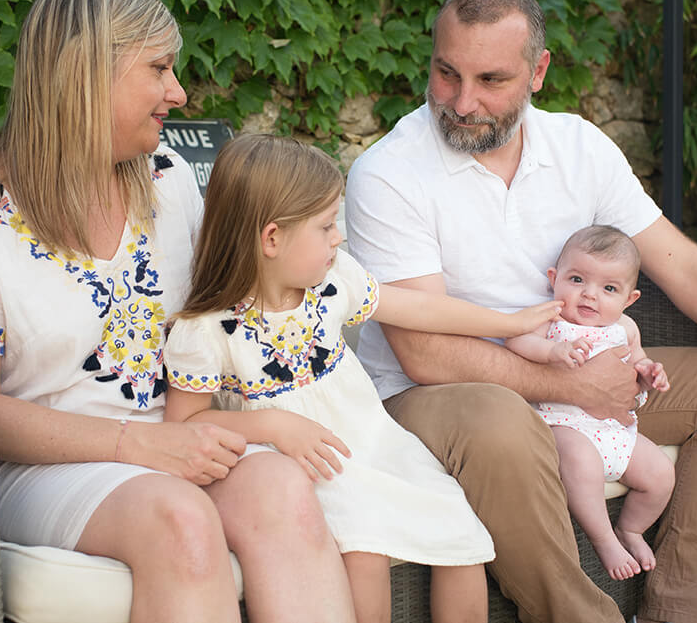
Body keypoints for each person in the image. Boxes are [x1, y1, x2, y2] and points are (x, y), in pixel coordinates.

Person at [345, 0, 697, 623]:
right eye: (446, 73)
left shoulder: (579, 146)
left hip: (583, 376)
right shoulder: (390, 172)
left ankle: (684, 613)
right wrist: (575, 389)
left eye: (491, 79)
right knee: (501, 422)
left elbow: (684, 267)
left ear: (538, 71)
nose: (462, 102)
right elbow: (423, 351)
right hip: (439, 396)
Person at [0, 0, 359, 623]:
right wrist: (137, 446)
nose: (177, 91)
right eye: (160, 68)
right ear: (87, 73)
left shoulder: (167, 179)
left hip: (180, 435)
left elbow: (235, 307)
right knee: (180, 518)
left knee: (283, 488)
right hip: (41, 466)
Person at [161, 134, 563, 623]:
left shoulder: (333, 283)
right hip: (307, 466)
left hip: (374, 442)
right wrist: (271, 425)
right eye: (327, 226)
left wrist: (509, 323)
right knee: (364, 546)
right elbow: (183, 425)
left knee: (462, 533)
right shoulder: (205, 331)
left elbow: (417, 307)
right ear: (272, 238)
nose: (340, 237)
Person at [505, 225, 675, 582]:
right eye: (577, 279)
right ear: (555, 278)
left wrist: (649, 372)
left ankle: (631, 529)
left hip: (614, 431)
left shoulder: (626, 328)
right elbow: (517, 344)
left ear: (629, 299)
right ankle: (604, 540)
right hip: (563, 427)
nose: (589, 296)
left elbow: (638, 361)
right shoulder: (550, 318)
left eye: (609, 288)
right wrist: (553, 351)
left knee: (661, 473)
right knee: (582, 463)